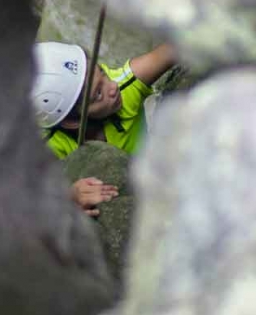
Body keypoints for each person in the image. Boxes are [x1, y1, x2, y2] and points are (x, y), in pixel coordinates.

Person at [31, 41, 176, 215]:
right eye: (98, 94)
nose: (113, 87)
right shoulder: (48, 147)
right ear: (72, 122)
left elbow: (172, 50)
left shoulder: (123, 87)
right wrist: (70, 197)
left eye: (102, 72)